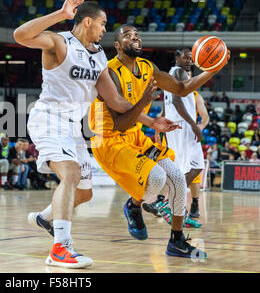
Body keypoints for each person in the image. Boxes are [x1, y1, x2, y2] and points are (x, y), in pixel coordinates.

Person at [14, 0, 177, 268]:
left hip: (75, 130)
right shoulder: (59, 42)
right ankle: (60, 248)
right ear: (87, 21)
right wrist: (60, 14)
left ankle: (46, 218)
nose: (104, 29)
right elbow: (20, 35)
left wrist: (150, 120)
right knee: (71, 173)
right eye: (102, 24)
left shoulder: (99, 56)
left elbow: (117, 102)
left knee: (85, 193)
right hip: (50, 120)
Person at [88, 24, 228, 258]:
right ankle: (134, 206)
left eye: (137, 34)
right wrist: (145, 106)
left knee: (177, 179)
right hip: (109, 141)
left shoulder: (146, 67)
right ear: (117, 46)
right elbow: (121, 122)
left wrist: (213, 70)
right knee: (156, 177)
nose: (135, 36)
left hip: (134, 137)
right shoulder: (109, 72)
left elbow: (182, 88)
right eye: (127, 35)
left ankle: (176, 240)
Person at [145, 48, 208, 220]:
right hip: (182, 125)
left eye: (191, 58)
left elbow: (167, 103)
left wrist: (160, 125)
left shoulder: (174, 74)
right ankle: (164, 201)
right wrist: (193, 125)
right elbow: (176, 100)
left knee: (192, 167)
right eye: (186, 58)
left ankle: (163, 200)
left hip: (175, 124)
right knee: (189, 168)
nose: (189, 61)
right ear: (177, 58)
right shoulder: (179, 72)